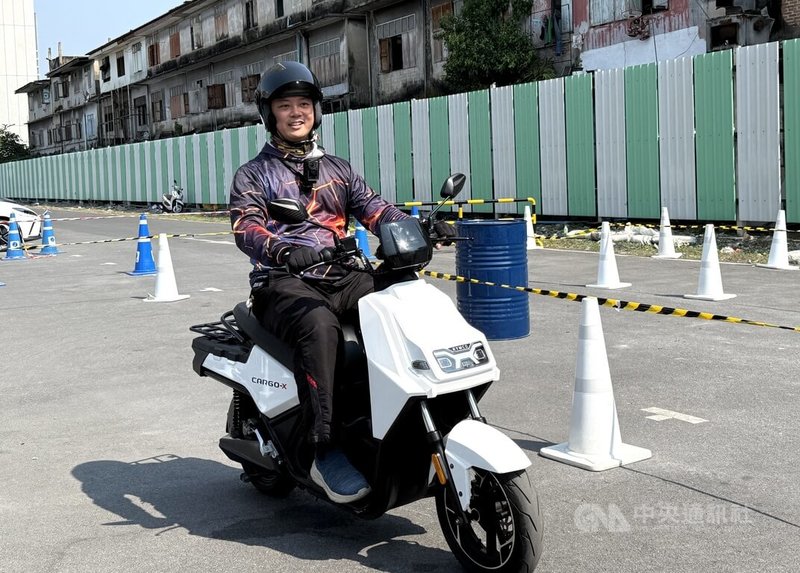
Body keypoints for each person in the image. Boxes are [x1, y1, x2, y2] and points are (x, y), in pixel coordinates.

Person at [229, 62, 451, 504]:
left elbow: (375, 208)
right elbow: (245, 226)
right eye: (284, 106)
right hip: (282, 281)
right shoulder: (253, 174)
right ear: (269, 115)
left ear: (316, 111)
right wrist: (284, 250)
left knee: (400, 306)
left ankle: (398, 419)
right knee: (320, 327)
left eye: (303, 104)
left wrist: (417, 227)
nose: (296, 113)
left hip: (342, 273)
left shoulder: (338, 168)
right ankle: (323, 447)